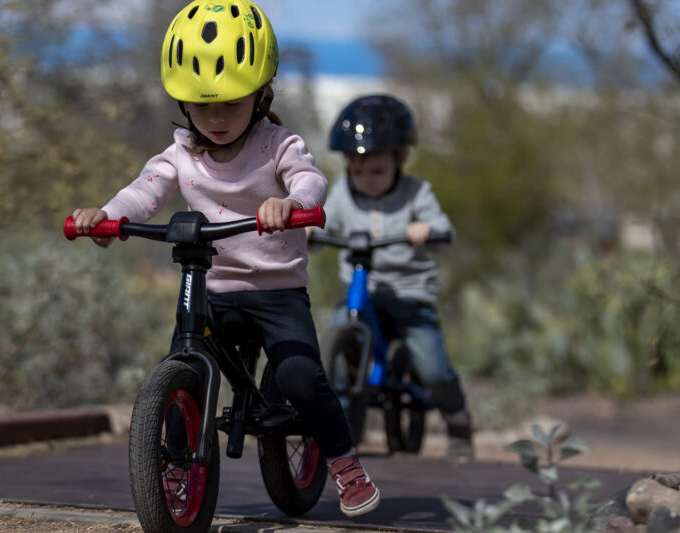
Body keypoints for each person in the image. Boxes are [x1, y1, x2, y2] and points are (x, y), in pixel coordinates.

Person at [70, 0, 380, 518]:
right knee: (180, 369)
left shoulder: (278, 144)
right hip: (210, 285)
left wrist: (294, 203)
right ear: (182, 100)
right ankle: (174, 470)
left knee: (302, 377)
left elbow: (310, 179)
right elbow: (144, 191)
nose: (215, 117)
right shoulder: (180, 155)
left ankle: (345, 462)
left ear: (261, 95)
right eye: (201, 104)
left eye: (231, 103)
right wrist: (105, 216)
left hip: (276, 290)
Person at [310, 94, 475, 459]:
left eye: (377, 171)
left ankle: (458, 421)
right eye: (356, 171)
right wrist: (308, 231)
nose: (365, 180)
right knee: (333, 347)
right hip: (360, 293)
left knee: (432, 365)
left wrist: (425, 230)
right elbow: (322, 220)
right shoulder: (341, 194)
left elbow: (443, 230)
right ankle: (335, 427)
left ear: (400, 158)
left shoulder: (418, 193)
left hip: (408, 293)